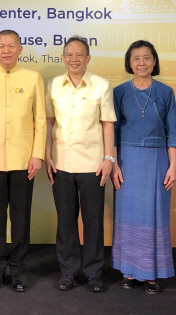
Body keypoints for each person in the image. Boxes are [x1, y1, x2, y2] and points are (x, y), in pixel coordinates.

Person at [0, 29, 46, 292]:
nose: (6, 50)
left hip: (25, 161)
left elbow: (40, 121)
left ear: (20, 49)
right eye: (1, 46)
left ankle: (17, 269)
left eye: (11, 46)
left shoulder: (33, 77)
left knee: (20, 218)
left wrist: (37, 154)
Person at [44, 36, 116, 292]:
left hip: (93, 165)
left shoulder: (101, 86)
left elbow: (108, 123)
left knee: (93, 221)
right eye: (69, 55)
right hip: (61, 164)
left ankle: (94, 273)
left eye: (79, 55)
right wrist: (47, 155)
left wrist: (109, 159)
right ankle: (68, 272)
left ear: (87, 58)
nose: (74, 59)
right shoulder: (53, 85)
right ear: (63, 58)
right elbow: (49, 123)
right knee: (65, 221)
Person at [111, 40, 176, 294]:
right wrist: (114, 164)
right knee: (127, 216)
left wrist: (174, 166)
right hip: (126, 161)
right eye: (136, 58)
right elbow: (113, 133)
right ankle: (129, 272)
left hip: (157, 161)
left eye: (147, 58)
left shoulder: (165, 92)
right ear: (129, 63)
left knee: (154, 216)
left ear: (154, 61)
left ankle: (151, 274)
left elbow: (174, 131)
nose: (142, 63)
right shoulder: (119, 92)